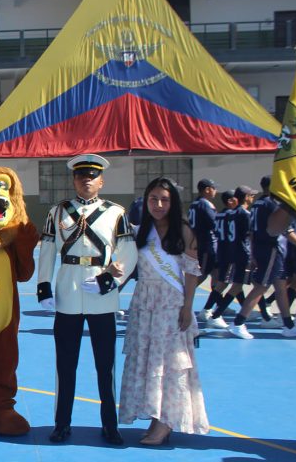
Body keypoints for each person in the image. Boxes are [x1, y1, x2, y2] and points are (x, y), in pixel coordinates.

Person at [37, 154, 138, 445]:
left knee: (105, 366)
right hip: (68, 290)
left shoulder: (115, 213)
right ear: (74, 180)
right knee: (65, 364)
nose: (87, 180)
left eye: (92, 176)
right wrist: (44, 286)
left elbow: (128, 253)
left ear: (101, 181)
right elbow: (47, 249)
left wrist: (109, 281)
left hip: (101, 294)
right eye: (81, 176)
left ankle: (110, 425)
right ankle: (62, 423)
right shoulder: (58, 212)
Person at [119, 177, 210, 444]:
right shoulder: (140, 231)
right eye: (153, 199)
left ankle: (166, 421)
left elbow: (191, 273)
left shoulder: (183, 231)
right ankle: (155, 416)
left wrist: (188, 307)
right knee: (147, 359)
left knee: (168, 362)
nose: (158, 205)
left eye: (164, 200)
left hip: (171, 304)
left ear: (174, 203)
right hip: (144, 302)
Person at [229, 177, 296, 338]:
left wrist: (253, 253)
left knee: (280, 287)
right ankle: (238, 323)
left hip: (265, 249)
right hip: (272, 249)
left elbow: (252, 232)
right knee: (261, 286)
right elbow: (286, 230)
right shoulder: (274, 204)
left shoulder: (258, 204)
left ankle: (288, 325)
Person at [206, 186, 257, 330]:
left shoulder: (231, 213)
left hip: (232, 251)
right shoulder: (244, 214)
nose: (252, 198)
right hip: (242, 252)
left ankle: (214, 312)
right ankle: (215, 315)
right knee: (237, 285)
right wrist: (254, 255)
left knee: (229, 283)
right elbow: (250, 236)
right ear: (245, 197)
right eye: (251, 195)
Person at [189, 179, 220, 319]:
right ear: (207, 189)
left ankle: (216, 303)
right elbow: (214, 224)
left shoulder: (194, 204)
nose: (215, 191)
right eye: (214, 188)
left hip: (201, 243)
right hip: (207, 244)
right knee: (202, 274)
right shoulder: (205, 204)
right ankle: (182, 297)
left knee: (217, 275)